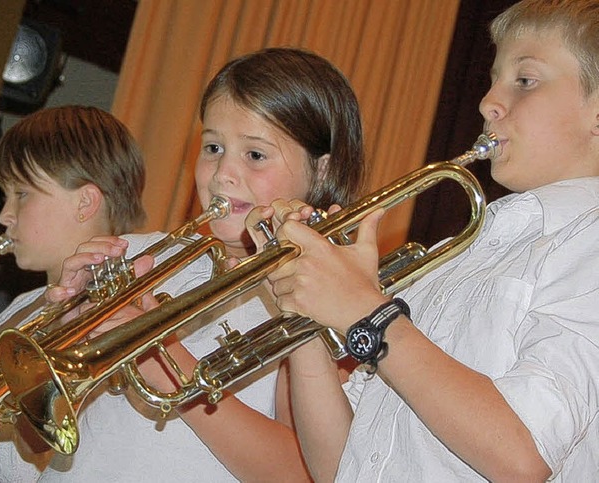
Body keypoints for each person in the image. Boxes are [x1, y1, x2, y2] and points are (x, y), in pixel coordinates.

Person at [246, 0, 599, 481]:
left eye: (525, 80)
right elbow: (339, 466)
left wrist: (366, 314)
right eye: (493, 79)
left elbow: (522, 456)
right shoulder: (453, 258)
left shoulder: (587, 239)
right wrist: (305, 316)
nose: (487, 102)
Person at [20, 47, 365, 482]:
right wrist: (67, 331)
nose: (222, 174)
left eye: (255, 155)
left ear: (320, 171)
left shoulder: (323, 296)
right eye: (214, 147)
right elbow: (38, 441)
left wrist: (160, 360)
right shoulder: (144, 253)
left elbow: (303, 472)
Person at [0, 104, 147, 481]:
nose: (4, 216)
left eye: (22, 194)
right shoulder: (17, 310)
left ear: (85, 203)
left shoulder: (132, 294)